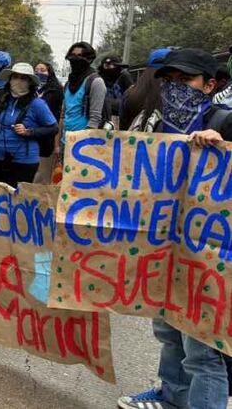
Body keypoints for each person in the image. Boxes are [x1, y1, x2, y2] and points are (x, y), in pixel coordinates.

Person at [118, 48, 232, 409]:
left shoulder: (225, 120)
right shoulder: (159, 124)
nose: (175, 87)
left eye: (186, 80)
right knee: (168, 330)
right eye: (168, 81)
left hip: (210, 255)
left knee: (203, 347)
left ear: (210, 84)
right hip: (166, 247)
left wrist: (224, 147)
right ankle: (172, 397)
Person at [0, 63, 58, 188]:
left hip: (24, 160)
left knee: (19, 200)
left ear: (30, 82)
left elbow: (53, 128)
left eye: (23, 78)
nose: (18, 81)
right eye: (15, 77)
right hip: (0, 157)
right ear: (9, 79)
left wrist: (29, 132)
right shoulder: (3, 100)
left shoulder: (38, 104)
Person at [56, 41, 108, 161]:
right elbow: (63, 115)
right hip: (66, 141)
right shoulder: (69, 84)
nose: (75, 59)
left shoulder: (96, 82)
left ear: (89, 59)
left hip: (83, 145)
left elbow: (95, 118)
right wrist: (57, 144)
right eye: (72, 56)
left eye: (79, 56)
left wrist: (85, 146)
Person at [33, 60, 64, 184]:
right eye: (36, 70)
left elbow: (57, 117)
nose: (39, 73)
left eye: (42, 70)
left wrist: (56, 144)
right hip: (32, 136)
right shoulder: (32, 89)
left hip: (47, 138)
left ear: (49, 72)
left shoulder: (55, 90)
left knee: (43, 173)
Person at [98, 54, 133, 122]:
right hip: (101, 115)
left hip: (121, 114)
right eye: (106, 65)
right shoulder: (98, 79)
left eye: (111, 65)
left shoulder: (124, 77)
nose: (109, 68)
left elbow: (131, 99)